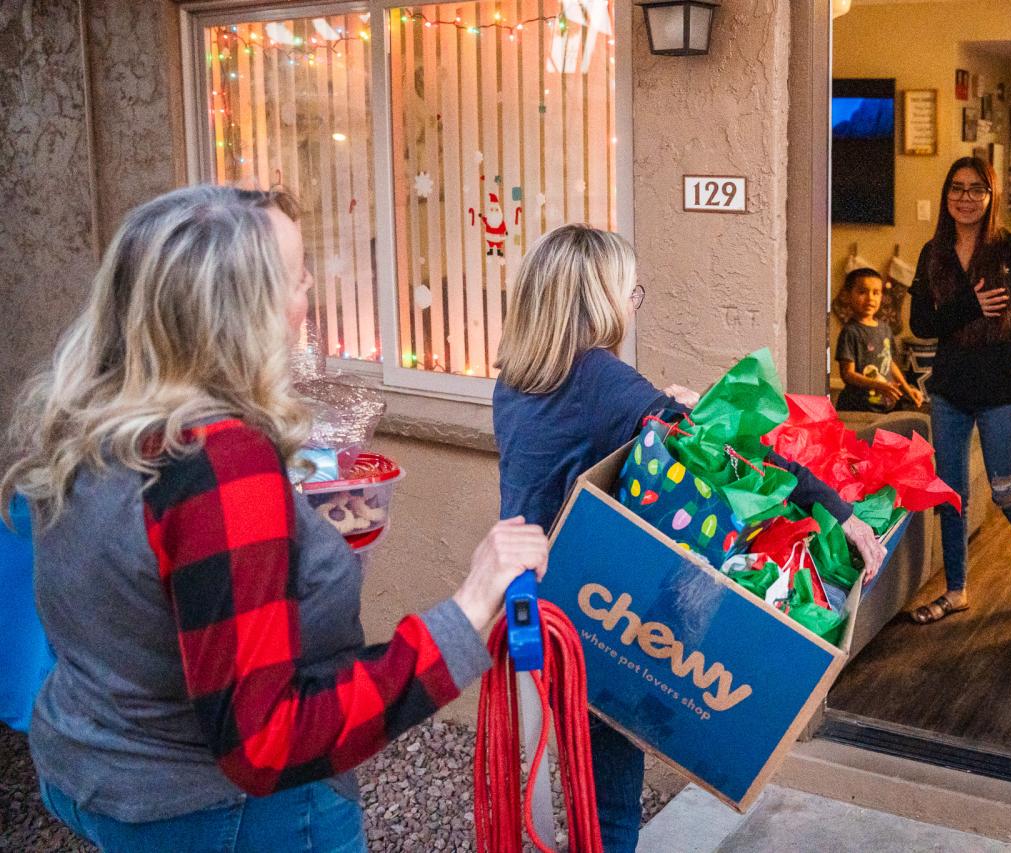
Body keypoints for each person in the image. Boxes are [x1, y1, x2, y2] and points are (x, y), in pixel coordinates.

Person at [0, 185, 549, 852]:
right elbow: (266, 741)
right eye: (295, 279)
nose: (309, 295)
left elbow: (141, 593)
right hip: (225, 812)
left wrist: (294, 537)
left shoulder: (94, 420)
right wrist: (467, 611)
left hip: (102, 769)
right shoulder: (221, 462)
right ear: (239, 313)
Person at [491, 223, 888, 853]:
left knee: (559, 788)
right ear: (599, 296)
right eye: (629, 290)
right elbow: (730, 452)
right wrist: (839, 510)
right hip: (587, 615)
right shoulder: (597, 377)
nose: (631, 305)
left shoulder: (516, 379)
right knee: (611, 809)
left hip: (528, 603)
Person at [906, 157, 1011, 625]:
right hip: (950, 389)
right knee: (951, 494)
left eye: (976, 189)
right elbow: (921, 324)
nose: (965, 197)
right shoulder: (933, 253)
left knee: (1006, 491)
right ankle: (957, 590)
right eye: (957, 188)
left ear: (991, 196)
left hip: (1001, 387)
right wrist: (970, 305)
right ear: (947, 196)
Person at [834, 267, 924, 412]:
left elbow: (890, 363)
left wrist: (907, 389)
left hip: (887, 406)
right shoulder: (850, 332)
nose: (870, 298)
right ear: (848, 295)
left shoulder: (885, 329)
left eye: (876, 293)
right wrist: (879, 385)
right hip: (859, 407)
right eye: (862, 292)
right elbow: (847, 374)